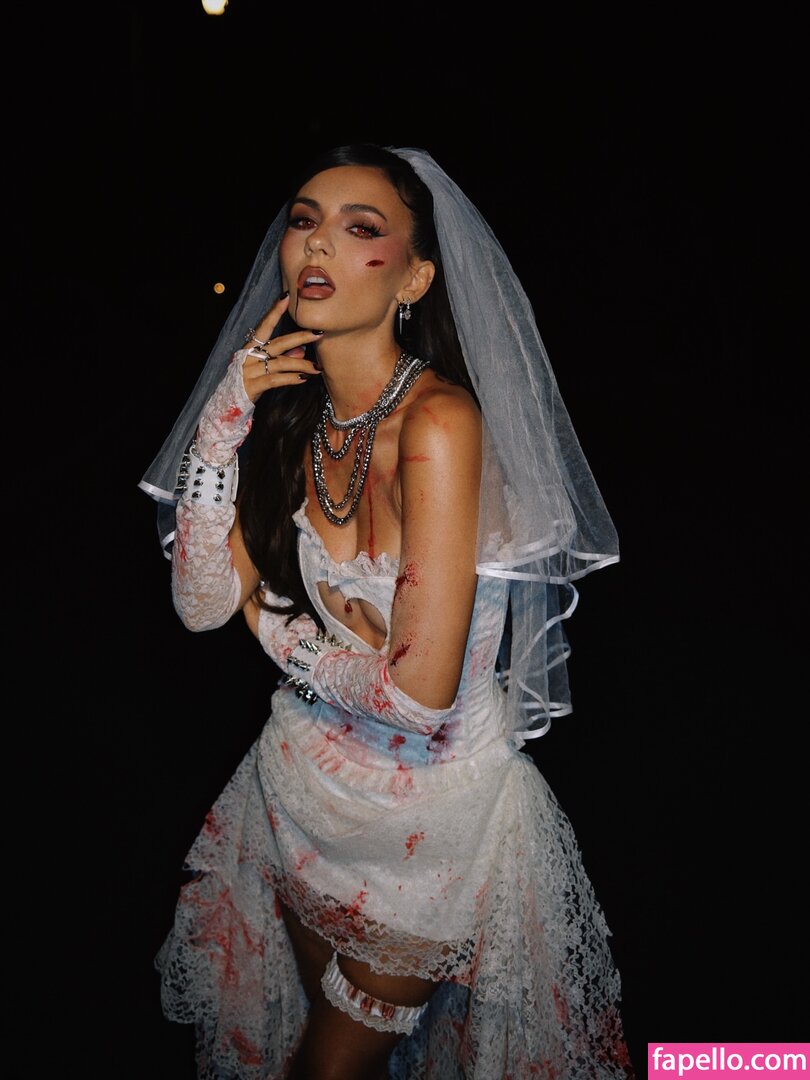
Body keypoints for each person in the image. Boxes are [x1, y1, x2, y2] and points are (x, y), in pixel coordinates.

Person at [139, 143, 634, 1080]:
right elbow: (202, 605)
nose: (318, 243)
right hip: (304, 793)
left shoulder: (439, 425)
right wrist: (220, 427)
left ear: (413, 278)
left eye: (359, 227)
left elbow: (417, 696)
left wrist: (273, 631)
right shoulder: (290, 416)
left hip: (433, 827)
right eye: (304, 220)